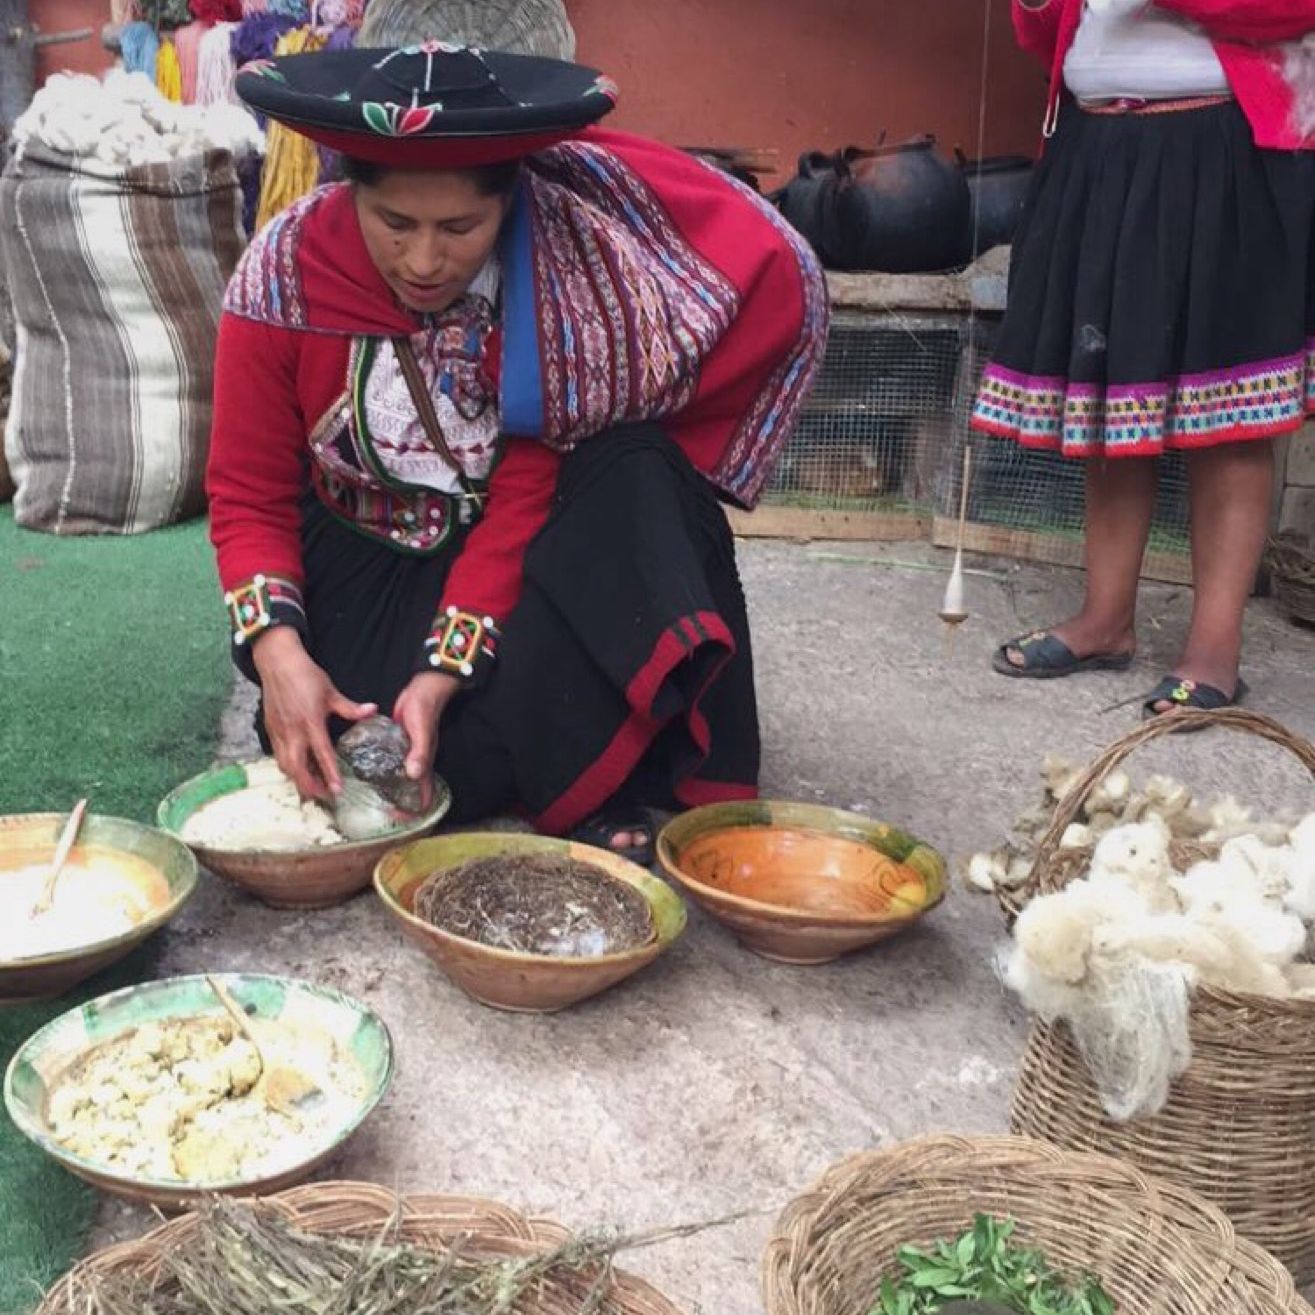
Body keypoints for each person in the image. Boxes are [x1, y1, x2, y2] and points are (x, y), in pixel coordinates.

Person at [207, 43, 827, 861]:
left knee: (640, 469)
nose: (424, 261)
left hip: (501, 559)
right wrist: (278, 654)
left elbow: (523, 498)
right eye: (394, 223)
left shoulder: (556, 278)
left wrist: (444, 669)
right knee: (346, 737)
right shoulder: (280, 276)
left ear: (509, 205)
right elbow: (247, 492)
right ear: (347, 187)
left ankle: (597, 772)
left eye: (459, 228)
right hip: (360, 564)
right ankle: (553, 756)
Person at [975, 0, 1315, 718]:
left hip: (1226, 147)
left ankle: (1213, 650)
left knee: (1228, 410)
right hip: (1097, 147)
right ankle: (1104, 619)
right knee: (1112, 393)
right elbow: (1049, 36)